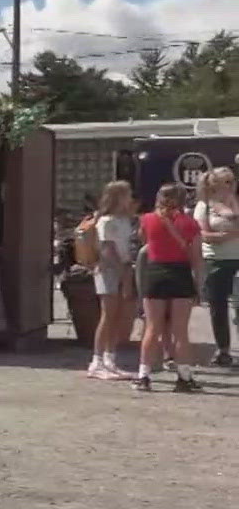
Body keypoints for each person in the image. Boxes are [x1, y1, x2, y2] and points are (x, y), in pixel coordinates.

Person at [137, 182, 204, 393]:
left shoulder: (147, 219)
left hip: (155, 272)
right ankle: (184, 377)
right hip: (180, 274)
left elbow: (143, 241)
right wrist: (199, 286)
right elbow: (197, 259)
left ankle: (143, 376)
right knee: (180, 331)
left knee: (152, 328)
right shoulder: (190, 224)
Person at [88, 182, 139, 379]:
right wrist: (123, 272)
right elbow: (107, 250)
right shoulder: (106, 221)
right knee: (107, 315)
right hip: (109, 270)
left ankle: (110, 358)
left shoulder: (125, 220)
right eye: (127, 194)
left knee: (118, 316)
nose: (131, 198)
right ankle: (97, 360)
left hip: (124, 268)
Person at [194, 166, 239, 367]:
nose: (232, 185)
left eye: (233, 180)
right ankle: (223, 350)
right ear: (214, 185)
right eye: (227, 181)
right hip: (217, 261)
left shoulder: (236, 203)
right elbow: (204, 236)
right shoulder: (205, 206)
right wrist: (230, 235)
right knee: (218, 306)